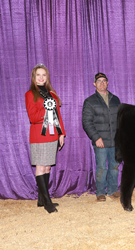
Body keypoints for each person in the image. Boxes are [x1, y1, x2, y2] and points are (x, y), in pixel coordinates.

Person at [25, 63, 66, 213]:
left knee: (47, 166)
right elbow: (32, 117)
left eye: (44, 75)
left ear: (47, 77)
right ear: (34, 78)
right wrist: (46, 109)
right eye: (38, 75)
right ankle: (47, 201)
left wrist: (61, 133)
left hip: (53, 134)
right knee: (41, 167)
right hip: (39, 134)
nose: (41, 78)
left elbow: (58, 115)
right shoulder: (30, 94)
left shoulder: (52, 93)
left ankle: (41, 199)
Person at [82, 73, 121, 202]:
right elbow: (87, 122)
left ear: (108, 83)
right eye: (99, 81)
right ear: (95, 84)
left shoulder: (115, 100)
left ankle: (112, 190)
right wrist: (96, 137)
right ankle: (100, 192)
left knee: (114, 167)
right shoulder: (90, 101)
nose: (102, 83)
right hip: (100, 141)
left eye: (104, 80)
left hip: (115, 140)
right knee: (102, 167)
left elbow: (121, 120)